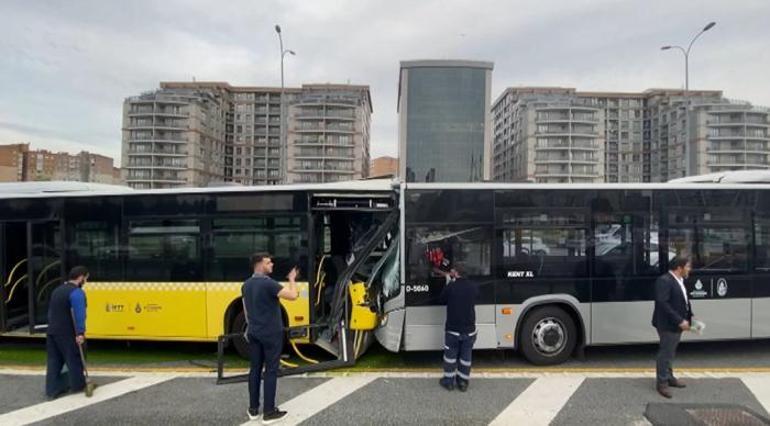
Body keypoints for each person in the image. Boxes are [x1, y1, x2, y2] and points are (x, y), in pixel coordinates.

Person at [242, 253, 299, 424]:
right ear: (259, 265)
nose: (272, 264)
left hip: (253, 331)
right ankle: (269, 412)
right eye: (268, 262)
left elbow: (246, 310)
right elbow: (293, 295)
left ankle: (253, 409)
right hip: (271, 333)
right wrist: (292, 279)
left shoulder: (246, 285)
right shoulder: (268, 284)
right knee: (271, 371)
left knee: (255, 370)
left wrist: (249, 327)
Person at [651, 255, 693, 399]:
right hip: (667, 323)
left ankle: (669, 377)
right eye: (687, 266)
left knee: (670, 351)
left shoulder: (679, 280)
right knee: (665, 352)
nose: (689, 269)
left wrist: (690, 316)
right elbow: (663, 304)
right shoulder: (664, 281)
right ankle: (662, 383)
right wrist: (679, 320)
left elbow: (684, 301)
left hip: (677, 323)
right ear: (679, 268)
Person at [45, 266, 89, 399]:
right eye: (86, 278)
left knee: (54, 361)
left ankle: (51, 390)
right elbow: (79, 315)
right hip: (68, 332)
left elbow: (50, 312)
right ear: (81, 277)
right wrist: (80, 333)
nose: (86, 281)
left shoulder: (57, 290)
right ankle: (78, 385)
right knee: (75, 358)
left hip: (52, 331)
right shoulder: (77, 293)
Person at [438, 263, 479, 392]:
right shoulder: (473, 287)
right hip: (469, 330)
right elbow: (477, 297)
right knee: (466, 357)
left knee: (450, 356)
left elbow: (442, 300)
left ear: (456, 273)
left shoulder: (451, 287)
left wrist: (449, 283)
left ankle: (448, 382)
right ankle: (463, 382)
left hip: (453, 330)